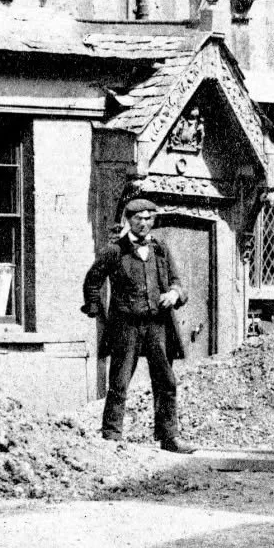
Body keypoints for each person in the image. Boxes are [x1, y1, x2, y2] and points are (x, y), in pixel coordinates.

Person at [82, 191, 195, 454]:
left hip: (157, 325)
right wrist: (96, 308)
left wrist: (174, 294)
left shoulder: (160, 249)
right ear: (128, 220)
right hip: (126, 326)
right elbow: (93, 280)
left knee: (166, 381)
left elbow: (179, 282)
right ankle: (111, 437)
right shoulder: (114, 251)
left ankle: (169, 437)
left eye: (148, 218)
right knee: (120, 382)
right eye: (138, 219)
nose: (144, 223)